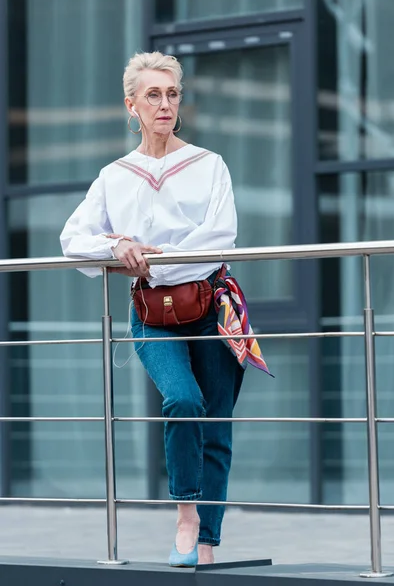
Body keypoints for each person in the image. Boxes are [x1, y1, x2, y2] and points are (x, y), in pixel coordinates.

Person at [60, 51, 270, 567]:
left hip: (212, 307)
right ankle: (185, 512)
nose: (165, 104)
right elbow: (71, 239)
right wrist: (115, 249)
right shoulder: (114, 176)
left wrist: (151, 259)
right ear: (131, 105)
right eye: (152, 95)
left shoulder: (209, 164)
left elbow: (220, 238)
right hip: (152, 314)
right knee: (182, 401)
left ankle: (206, 547)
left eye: (172, 94)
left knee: (216, 426)